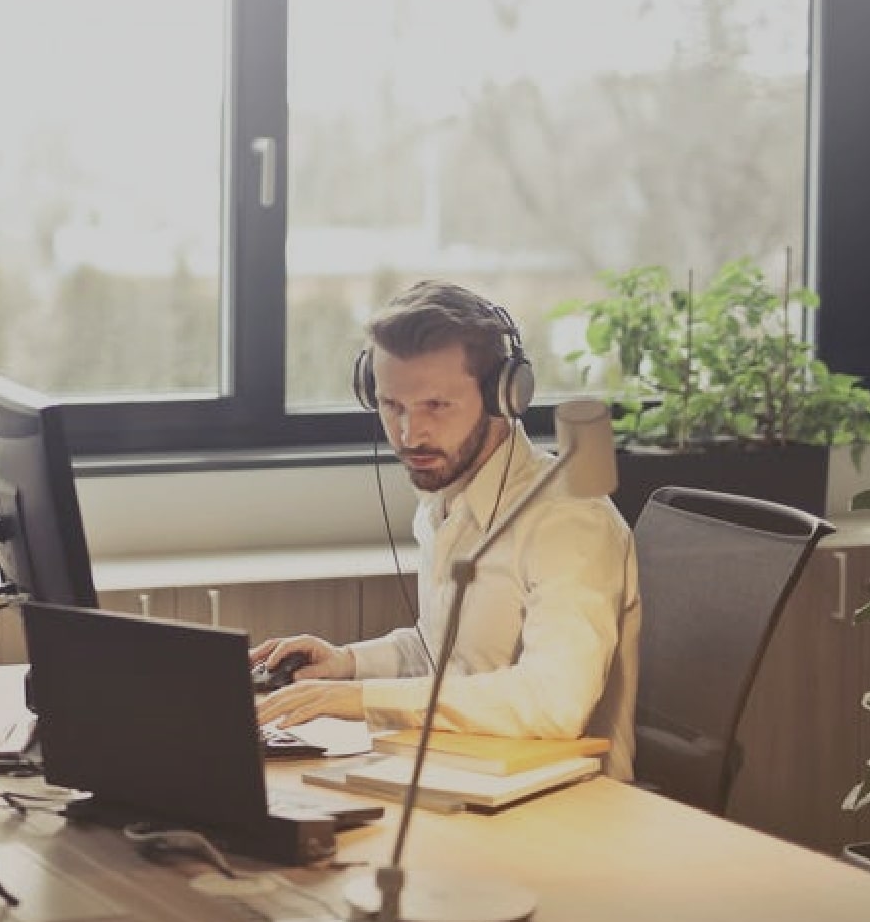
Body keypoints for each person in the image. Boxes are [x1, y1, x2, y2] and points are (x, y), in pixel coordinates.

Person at [253, 280, 640, 779]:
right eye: (393, 407)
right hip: (462, 774)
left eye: (436, 406)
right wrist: (347, 663)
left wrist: (361, 698)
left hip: (565, 806)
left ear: (504, 395)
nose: (410, 435)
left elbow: (554, 702)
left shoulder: (569, 520)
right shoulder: (445, 501)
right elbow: (445, 655)